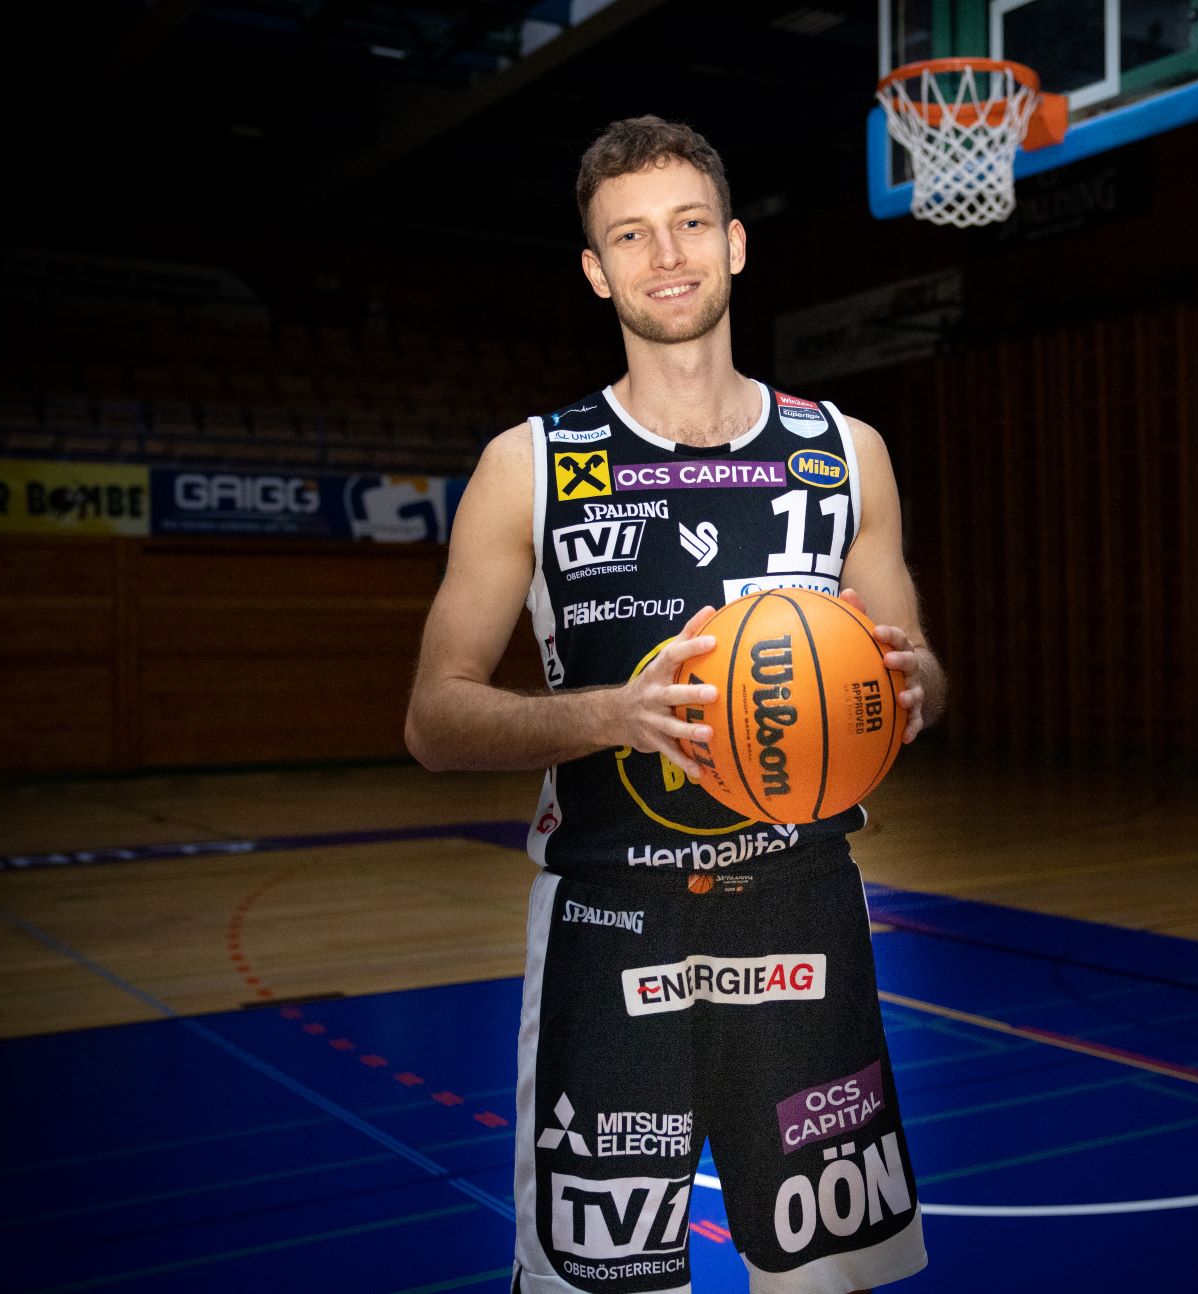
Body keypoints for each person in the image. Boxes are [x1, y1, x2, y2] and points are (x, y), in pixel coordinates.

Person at [404, 116, 943, 1294]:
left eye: (690, 225)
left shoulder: (842, 451)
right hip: (613, 922)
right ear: (597, 271)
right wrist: (618, 714)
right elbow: (434, 718)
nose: (668, 256)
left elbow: (924, 679)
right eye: (632, 236)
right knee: (604, 1286)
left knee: (821, 1279)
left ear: (737, 244)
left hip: (805, 906)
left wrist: (906, 686)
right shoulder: (535, 463)